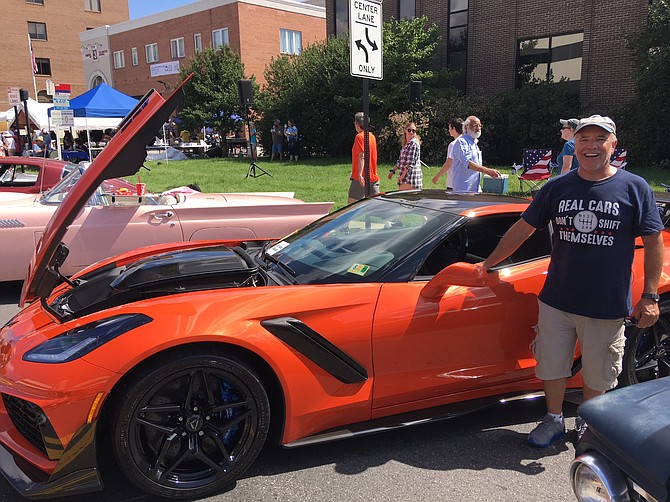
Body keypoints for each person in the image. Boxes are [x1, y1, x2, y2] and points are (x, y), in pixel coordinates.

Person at [477, 115, 664, 447]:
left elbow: (653, 243)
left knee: (599, 371)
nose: (591, 146)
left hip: (605, 304)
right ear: (574, 145)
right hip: (557, 300)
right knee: (551, 364)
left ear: (613, 145)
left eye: (599, 140)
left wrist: (650, 295)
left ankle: (589, 424)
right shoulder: (557, 186)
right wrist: (488, 264)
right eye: (584, 140)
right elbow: (523, 228)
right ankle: (553, 419)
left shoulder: (635, 188)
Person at [449, 116, 501, 192]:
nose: (478, 128)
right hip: (463, 190)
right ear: (466, 127)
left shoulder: (474, 143)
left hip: (475, 189)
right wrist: (487, 171)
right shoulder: (461, 142)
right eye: (475, 126)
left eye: (480, 126)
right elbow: (467, 163)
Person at [348, 112, 380, 204]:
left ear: (357, 124)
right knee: (375, 206)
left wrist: (359, 174)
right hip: (373, 177)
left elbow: (362, 156)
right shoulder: (372, 136)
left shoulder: (359, 137)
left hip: (361, 179)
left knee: (351, 208)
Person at [388, 122, 423, 190]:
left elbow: (410, 163)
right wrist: (393, 171)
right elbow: (401, 161)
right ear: (405, 130)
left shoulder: (414, 144)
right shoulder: (406, 144)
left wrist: (402, 176)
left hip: (411, 178)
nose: (411, 132)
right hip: (405, 177)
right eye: (409, 130)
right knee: (403, 199)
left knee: (408, 199)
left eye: (414, 131)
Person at [432, 118, 464, 188]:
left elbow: (448, 163)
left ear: (454, 129)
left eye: (450, 128)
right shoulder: (467, 143)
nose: (449, 130)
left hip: (453, 183)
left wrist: (437, 176)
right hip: (464, 183)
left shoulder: (453, 144)